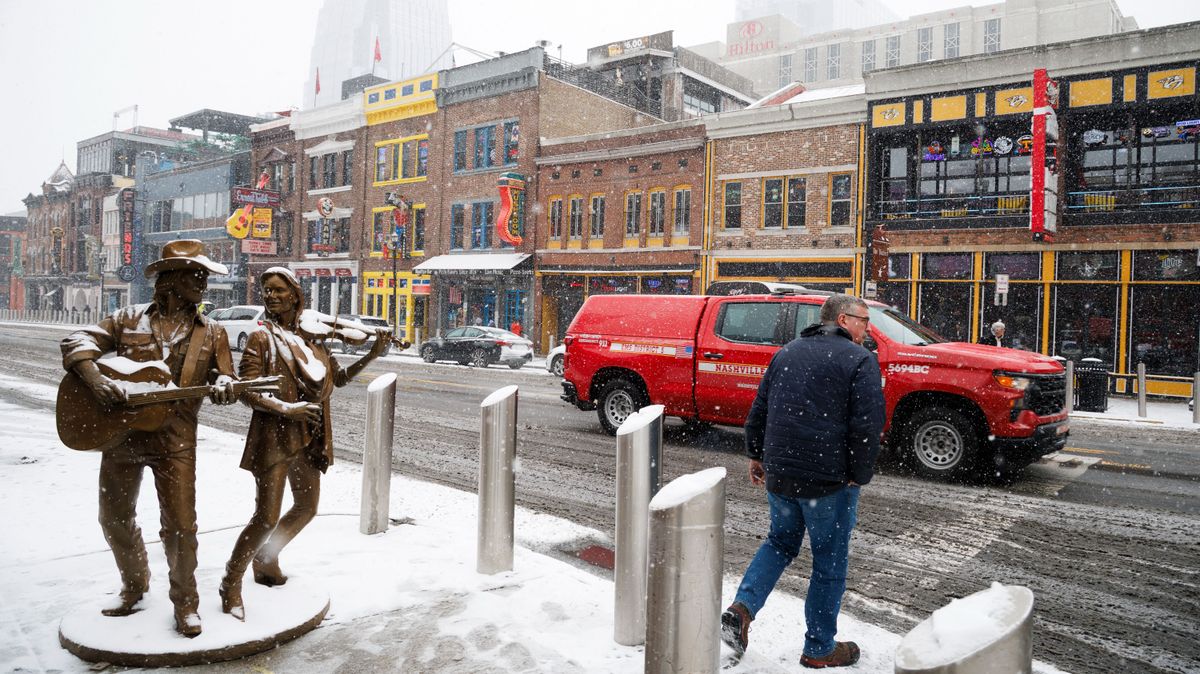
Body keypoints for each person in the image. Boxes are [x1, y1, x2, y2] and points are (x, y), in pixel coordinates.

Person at [60, 239, 238, 638]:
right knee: (114, 518)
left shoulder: (213, 333)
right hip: (122, 437)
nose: (203, 283)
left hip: (176, 440)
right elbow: (77, 341)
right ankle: (135, 585)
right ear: (170, 278)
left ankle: (186, 603)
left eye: (205, 276)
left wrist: (226, 383)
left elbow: (225, 377)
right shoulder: (126, 319)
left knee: (180, 526)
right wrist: (96, 379)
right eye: (197, 275)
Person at [721, 294, 885, 668]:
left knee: (779, 542)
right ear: (843, 319)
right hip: (829, 481)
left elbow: (761, 407)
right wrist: (858, 475)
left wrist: (755, 453)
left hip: (781, 472)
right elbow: (867, 427)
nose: (868, 328)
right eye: (864, 320)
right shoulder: (861, 361)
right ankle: (819, 647)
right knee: (829, 560)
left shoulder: (788, 351)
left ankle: (740, 611)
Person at [219, 267, 391, 621]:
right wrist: (287, 409)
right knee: (265, 517)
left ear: (296, 295)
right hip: (274, 437)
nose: (271, 296)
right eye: (267, 291)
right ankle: (230, 581)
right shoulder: (261, 339)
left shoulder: (314, 341)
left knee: (306, 507)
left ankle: (267, 557)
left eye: (279, 290)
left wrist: (372, 354)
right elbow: (247, 391)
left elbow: (338, 380)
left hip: (310, 436)